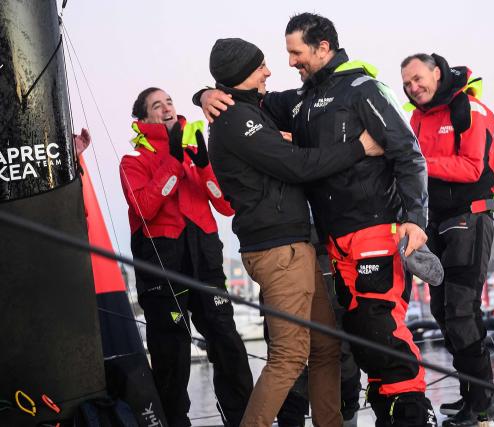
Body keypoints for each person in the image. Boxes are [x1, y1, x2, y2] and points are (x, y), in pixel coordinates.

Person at [196, 14, 436, 427]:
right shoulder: (298, 101)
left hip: (374, 228)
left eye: (295, 52)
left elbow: (408, 153)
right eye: (282, 55)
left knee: (377, 329)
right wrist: (204, 93)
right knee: (358, 335)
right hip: (328, 241)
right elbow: (253, 114)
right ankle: (390, 414)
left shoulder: (361, 89)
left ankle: (413, 415)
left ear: (323, 47)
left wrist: (415, 218)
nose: (286, 63)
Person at [119, 87, 253, 427]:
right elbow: (144, 207)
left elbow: (225, 205)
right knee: (171, 355)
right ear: (143, 118)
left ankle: (245, 420)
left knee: (227, 343)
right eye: (156, 105)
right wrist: (174, 164)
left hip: (204, 258)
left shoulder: (195, 153)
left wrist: (205, 166)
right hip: (163, 264)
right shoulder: (132, 162)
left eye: (168, 102)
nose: (166, 108)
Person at [401, 53, 494, 426]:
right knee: (443, 313)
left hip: (470, 215)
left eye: (418, 78)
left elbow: (473, 166)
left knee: (461, 311)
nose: (413, 87)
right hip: (434, 220)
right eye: (407, 83)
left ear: (437, 73)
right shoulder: (416, 117)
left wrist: (421, 162)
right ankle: (469, 398)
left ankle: (484, 405)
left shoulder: (470, 109)